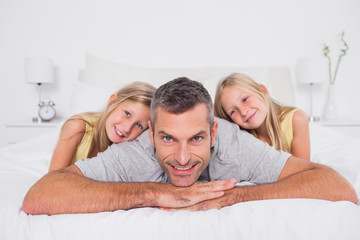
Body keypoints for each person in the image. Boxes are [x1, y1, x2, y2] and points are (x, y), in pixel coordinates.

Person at [22, 77, 357, 215]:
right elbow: (40, 195)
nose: (182, 159)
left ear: (213, 133)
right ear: (150, 134)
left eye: (196, 138)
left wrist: (237, 196)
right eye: (168, 138)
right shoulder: (134, 152)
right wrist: (156, 193)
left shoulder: (233, 143)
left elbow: (339, 187)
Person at [48, 81, 156, 172]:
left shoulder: (131, 148)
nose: (127, 129)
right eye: (127, 114)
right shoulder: (77, 127)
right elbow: (51, 183)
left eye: (138, 125)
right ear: (112, 102)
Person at [214, 73, 310, 160]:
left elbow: (304, 170)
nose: (243, 112)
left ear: (263, 91)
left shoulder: (296, 119)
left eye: (245, 99)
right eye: (233, 111)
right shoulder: (242, 135)